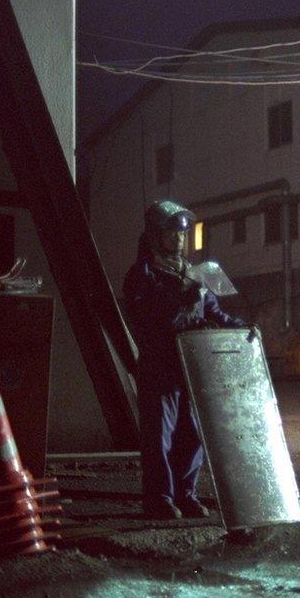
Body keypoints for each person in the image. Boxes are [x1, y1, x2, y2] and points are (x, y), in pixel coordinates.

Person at [123, 200, 245, 520]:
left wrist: (243, 329)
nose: (180, 240)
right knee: (159, 437)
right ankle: (160, 499)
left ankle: (185, 493)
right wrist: (181, 303)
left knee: (193, 433)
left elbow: (215, 315)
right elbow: (147, 321)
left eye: (183, 234)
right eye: (172, 233)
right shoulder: (142, 276)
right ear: (155, 236)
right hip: (160, 367)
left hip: (192, 368)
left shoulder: (195, 275)